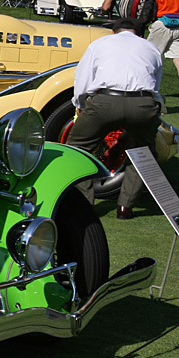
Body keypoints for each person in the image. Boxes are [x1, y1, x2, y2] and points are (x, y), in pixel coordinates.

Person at [67, 17, 163, 219]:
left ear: (114, 32)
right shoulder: (151, 48)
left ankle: (84, 203)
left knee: (77, 147)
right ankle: (125, 207)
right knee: (143, 152)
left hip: (104, 101)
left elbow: (82, 78)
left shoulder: (100, 43)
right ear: (139, 34)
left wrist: (80, 105)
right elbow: (155, 83)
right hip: (142, 103)